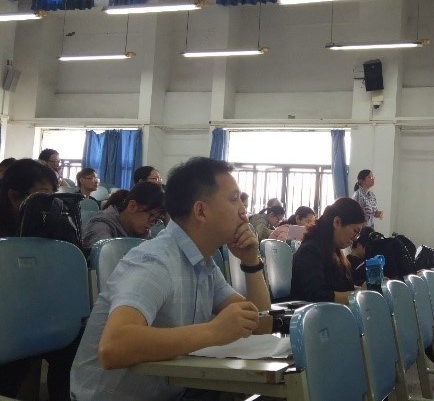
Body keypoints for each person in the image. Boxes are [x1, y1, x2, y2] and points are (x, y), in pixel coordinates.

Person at [70, 157, 272, 400]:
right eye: (234, 199)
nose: (243, 211)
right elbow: (114, 346)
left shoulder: (204, 263)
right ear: (201, 211)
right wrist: (213, 331)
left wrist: (251, 262)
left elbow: (260, 325)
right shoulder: (155, 260)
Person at [0, 159, 80, 400]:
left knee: (75, 342)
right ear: (14, 196)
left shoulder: (48, 226)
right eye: (43, 196)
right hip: (10, 320)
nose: (51, 204)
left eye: (53, 196)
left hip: (32, 314)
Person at [290, 197, 365, 304]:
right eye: (355, 231)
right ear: (337, 222)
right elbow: (319, 296)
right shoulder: (310, 251)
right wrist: (360, 294)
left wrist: (365, 291)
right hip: (312, 313)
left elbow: (341, 288)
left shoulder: (333, 251)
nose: (355, 238)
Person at [82, 181, 166, 250]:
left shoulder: (142, 232)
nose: (152, 223)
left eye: (157, 219)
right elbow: (103, 258)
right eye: (151, 215)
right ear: (132, 206)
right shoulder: (101, 226)